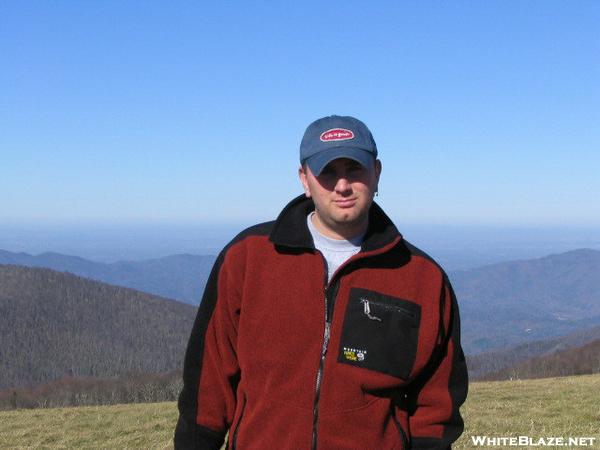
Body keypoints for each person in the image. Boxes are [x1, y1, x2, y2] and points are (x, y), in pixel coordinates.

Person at [175, 115, 468, 449]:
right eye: (328, 171)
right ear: (304, 179)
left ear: (377, 173)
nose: (342, 185)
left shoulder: (421, 278)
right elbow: (208, 383)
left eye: (354, 169)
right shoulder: (247, 258)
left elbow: (437, 402)